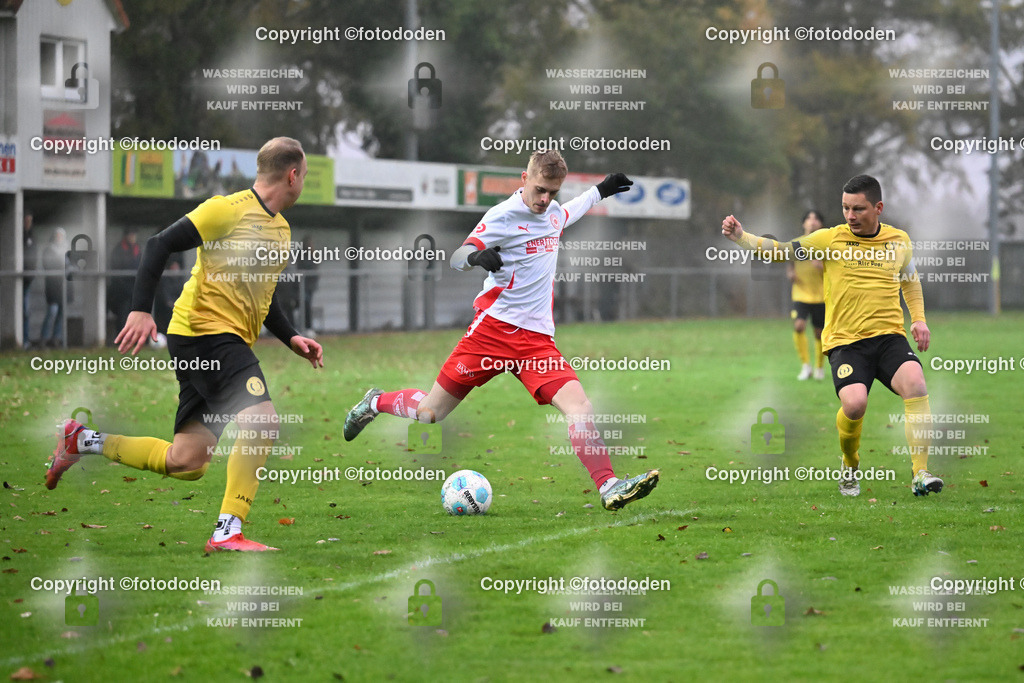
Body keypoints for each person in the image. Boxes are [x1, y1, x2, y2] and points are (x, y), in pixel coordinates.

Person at [46, 137, 324, 552]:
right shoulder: (225, 209)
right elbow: (160, 244)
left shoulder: (281, 229)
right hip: (205, 333)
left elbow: (263, 298)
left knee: (187, 460)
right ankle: (228, 532)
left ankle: (82, 440)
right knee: (263, 421)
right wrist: (140, 310)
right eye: (305, 175)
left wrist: (292, 336)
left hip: (213, 341)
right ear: (293, 174)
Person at [343, 150, 659, 511]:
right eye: (540, 189)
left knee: (580, 407)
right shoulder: (502, 216)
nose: (545, 200)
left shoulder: (553, 212)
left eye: (552, 193)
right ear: (524, 179)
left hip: (536, 343)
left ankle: (609, 486)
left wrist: (601, 190)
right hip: (490, 333)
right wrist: (476, 257)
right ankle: (374, 402)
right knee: (431, 413)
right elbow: (458, 256)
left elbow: (572, 210)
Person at [721, 174, 942, 497]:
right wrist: (742, 237)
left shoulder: (899, 241)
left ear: (878, 208)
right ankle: (850, 464)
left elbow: (909, 280)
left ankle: (920, 472)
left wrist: (919, 319)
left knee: (916, 384)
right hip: (845, 342)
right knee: (855, 406)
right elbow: (781, 251)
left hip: (889, 337)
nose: (850, 216)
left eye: (858, 209)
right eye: (845, 208)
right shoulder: (830, 239)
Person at [787, 210, 826, 380]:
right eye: (809, 218)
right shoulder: (795, 244)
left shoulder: (826, 246)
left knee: (819, 333)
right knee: (799, 326)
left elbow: (838, 271)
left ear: (821, 224)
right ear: (803, 224)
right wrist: (790, 273)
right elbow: (788, 262)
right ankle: (805, 366)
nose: (812, 221)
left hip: (821, 296)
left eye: (816, 218)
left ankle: (819, 368)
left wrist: (822, 266)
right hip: (800, 294)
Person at [108, 227, 142, 335]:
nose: (133, 237)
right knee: (123, 314)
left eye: (134, 235)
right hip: (121, 290)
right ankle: (122, 337)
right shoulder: (119, 249)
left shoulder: (137, 249)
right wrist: (125, 287)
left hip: (135, 288)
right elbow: (116, 271)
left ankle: (133, 336)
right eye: (131, 235)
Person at [39, 227, 67, 348]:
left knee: (61, 314)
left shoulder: (66, 250)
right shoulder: (48, 250)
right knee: (52, 312)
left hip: (64, 288)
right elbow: (48, 265)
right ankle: (44, 338)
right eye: (57, 235)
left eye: (61, 236)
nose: (59, 238)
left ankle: (57, 338)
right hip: (53, 286)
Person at [22, 210, 38, 349]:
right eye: (26, 220)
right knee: (23, 311)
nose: (28, 223)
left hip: (27, 280)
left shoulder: (32, 237)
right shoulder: (20, 236)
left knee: (26, 312)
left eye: (30, 221)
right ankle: (23, 340)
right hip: (19, 281)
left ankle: (25, 340)